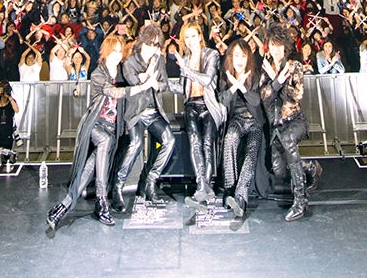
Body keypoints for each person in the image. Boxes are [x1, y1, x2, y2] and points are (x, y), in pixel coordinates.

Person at [48, 34, 154, 232]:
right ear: (106, 52)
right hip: (95, 125)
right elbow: (114, 92)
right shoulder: (98, 74)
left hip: (113, 129)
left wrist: (145, 75)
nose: (117, 55)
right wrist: (141, 86)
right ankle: (102, 201)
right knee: (104, 141)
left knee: (90, 167)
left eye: (119, 51)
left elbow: (134, 77)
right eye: (113, 51)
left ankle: (62, 208)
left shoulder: (122, 72)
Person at [112, 22, 174, 209]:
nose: (152, 48)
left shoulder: (159, 60)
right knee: (136, 144)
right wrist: (148, 76)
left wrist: (156, 84)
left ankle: (149, 182)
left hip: (154, 111)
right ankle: (117, 187)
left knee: (169, 141)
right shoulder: (130, 62)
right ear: (142, 42)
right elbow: (133, 84)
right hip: (136, 113)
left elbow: (164, 84)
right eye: (149, 43)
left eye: (156, 45)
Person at [260, 24, 315, 222]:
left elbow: (296, 95)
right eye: (272, 45)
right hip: (275, 125)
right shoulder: (265, 67)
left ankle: (300, 201)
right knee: (279, 170)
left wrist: (278, 81)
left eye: (279, 45)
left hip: (295, 120)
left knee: (289, 141)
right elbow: (264, 95)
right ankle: (310, 167)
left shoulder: (294, 66)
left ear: (285, 46)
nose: (275, 49)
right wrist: (276, 81)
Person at [170, 22, 225, 205]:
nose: (190, 40)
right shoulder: (185, 59)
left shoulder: (211, 54)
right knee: (195, 144)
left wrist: (186, 70)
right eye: (187, 37)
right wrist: (162, 83)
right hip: (191, 105)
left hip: (208, 105)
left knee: (207, 145)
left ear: (200, 36)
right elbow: (182, 87)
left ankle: (204, 187)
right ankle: (203, 188)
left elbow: (207, 79)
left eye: (193, 36)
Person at [218, 37, 264, 219]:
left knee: (251, 152)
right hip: (236, 120)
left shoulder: (255, 75)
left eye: (243, 56)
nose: (240, 60)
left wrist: (242, 86)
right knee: (229, 140)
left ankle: (241, 197)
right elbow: (222, 100)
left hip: (254, 121)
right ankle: (229, 190)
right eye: (236, 55)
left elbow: (256, 101)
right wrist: (233, 86)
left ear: (248, 58)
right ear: (230, 57)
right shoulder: (225, 75)